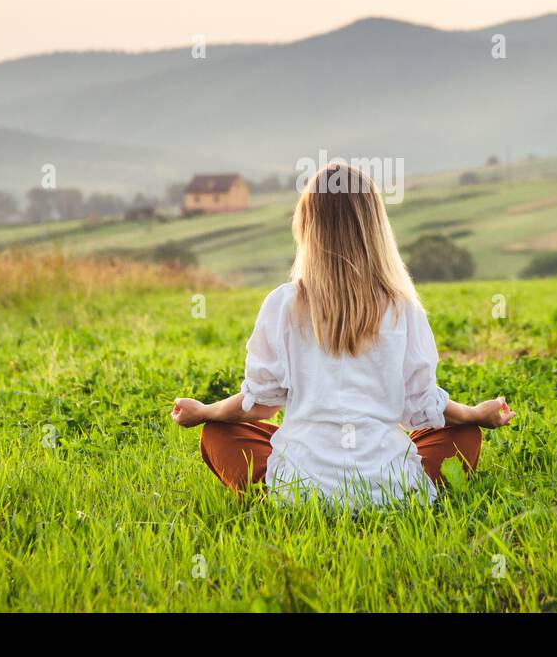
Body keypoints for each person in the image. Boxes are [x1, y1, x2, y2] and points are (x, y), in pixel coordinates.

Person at [171, 162, 514, 505]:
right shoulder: (403, 307)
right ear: (375, 227)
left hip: (299, 487)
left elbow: (259, 404)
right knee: (464, 436)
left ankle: (282, 496)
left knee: (218, 434)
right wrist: (474, 415)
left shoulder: (283, 303)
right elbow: (421, 408)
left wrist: (206, 412)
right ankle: (395, 490)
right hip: (391, 487)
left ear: (306, 226)